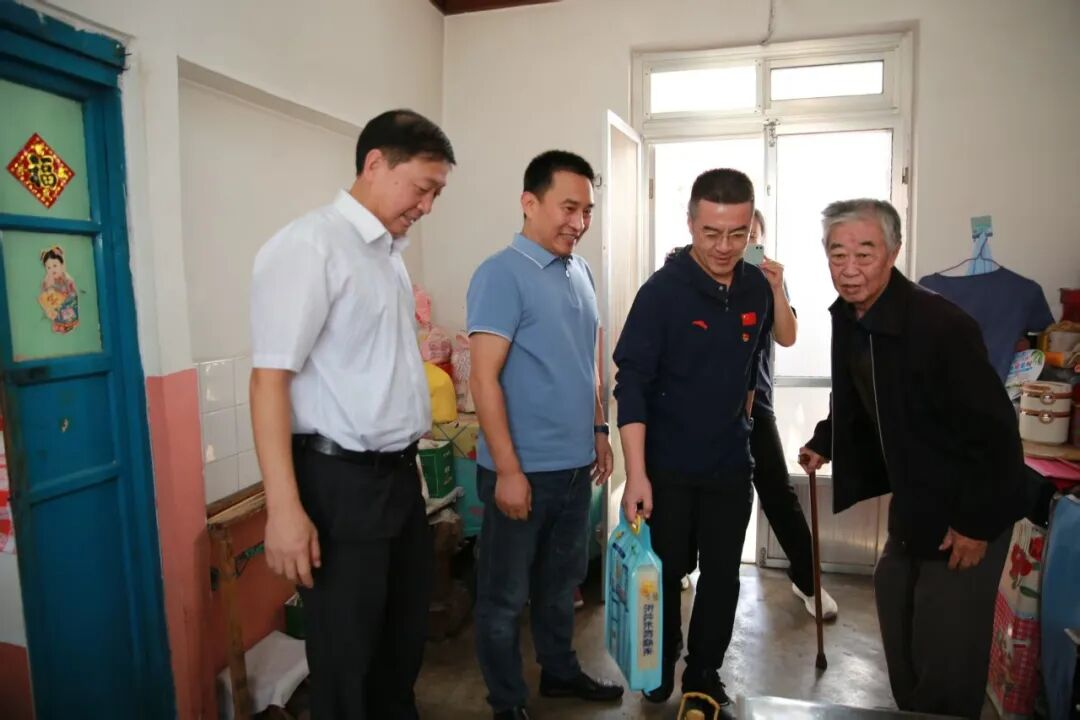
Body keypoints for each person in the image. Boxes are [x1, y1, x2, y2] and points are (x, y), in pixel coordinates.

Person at [250, 109, 455, 720]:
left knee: (401, 644)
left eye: (437, 194)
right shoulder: (310, 246)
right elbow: (268, 381)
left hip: (395, 478)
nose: (427, 206)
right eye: (422, 188)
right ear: (374, 164)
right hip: (339, 484)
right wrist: (284, 510)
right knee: (348, 660)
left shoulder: (388, 253)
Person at [798, 199, 1027, 720]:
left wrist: (975, 525)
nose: (849, 269)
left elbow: (995, 434)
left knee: (946, 661)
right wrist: (826, 440)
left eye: (864, 253)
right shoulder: (853, 317)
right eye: (837, 254)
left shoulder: (941, 324)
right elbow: (862, 396)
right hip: (916, 503)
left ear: (894, 251)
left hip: (968, 512)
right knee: (898, 619)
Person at [467, 150, 623, 720]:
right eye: (568, 207)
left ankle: (559, 673)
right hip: (522, 472)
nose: (579, 222)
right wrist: (508, 470)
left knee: (562, 585)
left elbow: (587, 361)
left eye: (587, 211)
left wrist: (599, 427)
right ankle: (507, 701)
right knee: (505, 598)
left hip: (575, 467)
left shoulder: (580, 271)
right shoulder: (500, 274)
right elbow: (482, 378)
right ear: (529, 203)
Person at [615, 169, 772, 711]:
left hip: (730, 464)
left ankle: (704, 670)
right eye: (711, 233)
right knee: (665, 571)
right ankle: (660, 661)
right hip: (668, 468)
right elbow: (632, 385)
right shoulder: (661, 293)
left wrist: (742, 424)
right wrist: (637, 474)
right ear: (690, 224)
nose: (724, 247)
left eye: (737, 234)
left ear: (751, 228)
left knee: (723, 577)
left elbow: (751, 366)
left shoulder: (756, 288)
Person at [746, 210, 839, 621]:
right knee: (699, 489)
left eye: (753, 235)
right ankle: (680, 566)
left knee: (778, 493)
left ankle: (809, 582)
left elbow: (787, 336)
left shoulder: (768, 280)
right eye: (739, 233)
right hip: (704, 408)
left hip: (758, 403)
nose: (745, 242)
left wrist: (776, 287)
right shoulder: (695, 275)